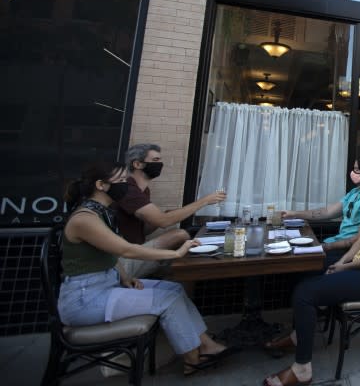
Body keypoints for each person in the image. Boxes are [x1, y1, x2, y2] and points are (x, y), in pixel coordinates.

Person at [58, 162, 238, 376]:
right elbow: (127, 250)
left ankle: (206, 344)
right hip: (84, 300)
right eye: (122, 181)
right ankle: (192, 359)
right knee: (167, 300)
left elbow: (109, 253)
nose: (126, 185)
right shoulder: (85, 218)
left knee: (174, 290)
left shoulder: (101, 213)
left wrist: (124, 277)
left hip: (106, 286)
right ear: (101, 185)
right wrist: (176, 253)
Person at [263, 157, 360, 386]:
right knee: (305, 277)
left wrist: (346, 267)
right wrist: (341, 263)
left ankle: (302, 369)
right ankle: (300, 336)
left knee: (305, 294)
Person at [114, 143, 226, 278]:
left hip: (136, 251)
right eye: (155, 160)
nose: (160, 164)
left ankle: (176, 276)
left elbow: (144, 230)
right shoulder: (128, 190)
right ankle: (187, 277)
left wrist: (167, 215)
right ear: (137, 164)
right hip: (120, 263)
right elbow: (163, 222)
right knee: (180, 235)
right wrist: (204, 201)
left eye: (160, 160)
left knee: (180, 242)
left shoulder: (143, 190)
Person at [280, 156, 360, 267]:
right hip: (335, 242)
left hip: (346, 250)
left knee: (298, 263)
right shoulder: (355, 192)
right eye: (353, 168)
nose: (353, 172)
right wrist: (294, 213)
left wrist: (324, 246)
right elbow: (327, 212)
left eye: (356, 169)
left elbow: (358, 239)